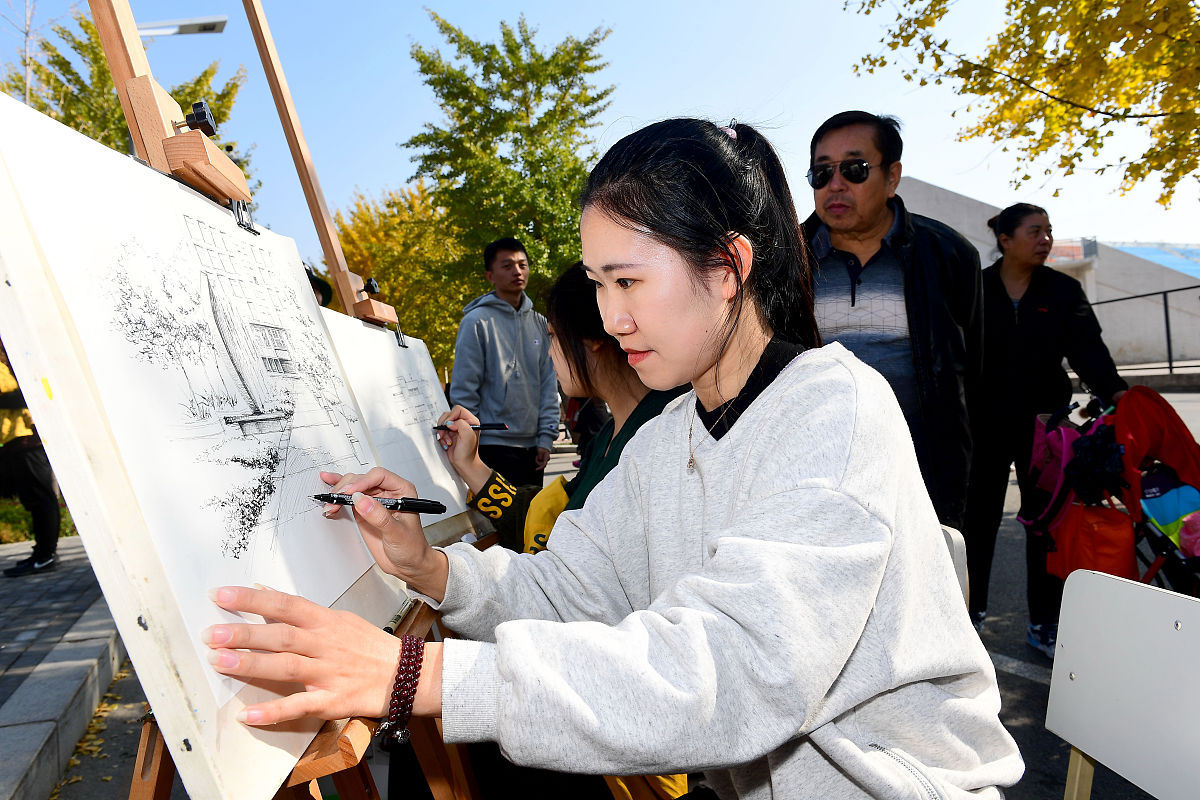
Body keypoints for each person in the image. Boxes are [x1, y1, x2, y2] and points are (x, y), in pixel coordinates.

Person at [203, 119, 1023, 799]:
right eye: (598, 284)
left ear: (730, 266)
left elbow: (729, 670)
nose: (611, 317)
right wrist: (431, 569)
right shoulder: (672, 434)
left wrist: (415, 672)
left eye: (628, 282)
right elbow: (570, 589)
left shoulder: (833, 410)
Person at [441, 261, 687, 799]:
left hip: (631, 727)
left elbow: (572, 568)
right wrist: (474, 468)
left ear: (595, 340)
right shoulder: (613, 431)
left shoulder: (655, 435)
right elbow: (548, 516)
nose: (548, 353)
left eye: (554, 337)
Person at [801, 110, 982, 531]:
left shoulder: (948, 255)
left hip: (922, 475)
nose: (836, 185)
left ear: (893, 176)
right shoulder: (788, 262)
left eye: (854, 169)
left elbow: (972, 374)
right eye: (821, 173)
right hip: (815, 474)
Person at [964, 203, 1127, 653]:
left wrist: (1118, 394)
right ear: (1006, 239)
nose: (1046, 239)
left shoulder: (1063, 290)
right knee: (976, 525)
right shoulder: (974, 289)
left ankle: (1045, 625)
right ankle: (969, 616)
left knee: (1047, 526)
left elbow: (1089, 352)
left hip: (1046, 430)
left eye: (1049, 231)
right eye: (1035, 231)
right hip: (984, 427)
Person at [449, 237, 559, 488]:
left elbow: (549, 385)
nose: (517, 272)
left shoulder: (541, 324)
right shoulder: (476, 322)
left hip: (533, 449)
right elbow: (465, 390)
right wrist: (471, 445)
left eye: (522, 264)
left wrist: (546, 438)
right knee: (495, 526)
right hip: (490, 448)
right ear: (490, 275)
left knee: (531, 522)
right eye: (507, 266)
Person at [0, 340, 61, 577]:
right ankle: (42, 553)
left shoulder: (11, 362)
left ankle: (46, 556)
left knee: (41, 498)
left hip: (25, 438)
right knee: (35, 499)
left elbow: (22, 395)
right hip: (18, 439)